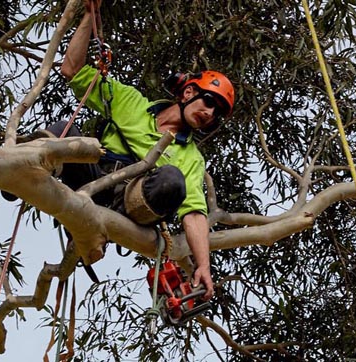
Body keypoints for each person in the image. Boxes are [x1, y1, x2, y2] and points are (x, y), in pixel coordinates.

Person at [29, 1, 233, 299]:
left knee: (171, 181)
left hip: (131, 204)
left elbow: (194, 215)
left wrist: (203, 265)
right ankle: (25, 172)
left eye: (217, 113)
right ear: (189, 92)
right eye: (210, 102)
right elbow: (71, 69)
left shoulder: (190, 157)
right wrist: (89, 17)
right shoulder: (132, 103)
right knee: (63, 132)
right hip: (92, 181)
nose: (209, 114)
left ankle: (97, 213)